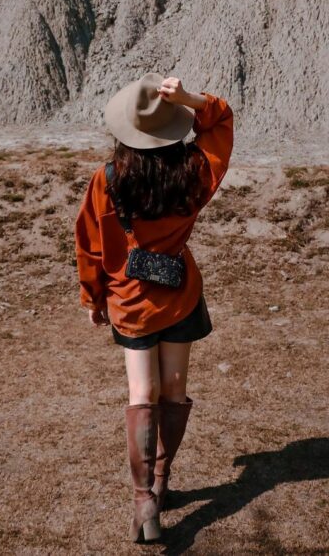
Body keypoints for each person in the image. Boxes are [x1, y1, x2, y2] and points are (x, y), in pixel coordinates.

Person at [74, 72, 234, 543]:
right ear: (170, 130)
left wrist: (93, 296)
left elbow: (89, 246)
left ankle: (145, 500)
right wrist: (188, 98)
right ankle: (164, 479)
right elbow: (221, 120)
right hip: (179, 292)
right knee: (175, 386)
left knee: (141, 392)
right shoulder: (194, 173)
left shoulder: (107, 181)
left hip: (128, 299)